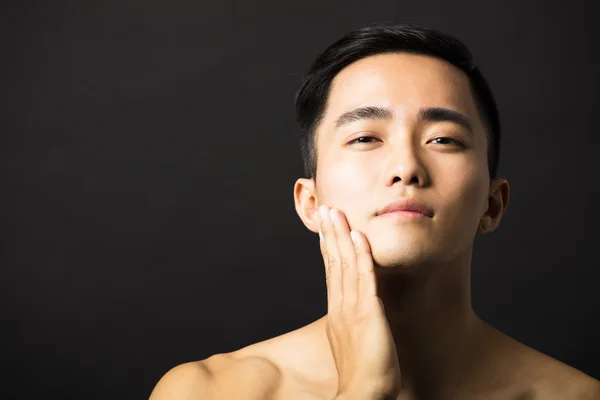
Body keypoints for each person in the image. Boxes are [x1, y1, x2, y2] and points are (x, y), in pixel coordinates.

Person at [149, 23, 600, 400]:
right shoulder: (209, 391)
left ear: (493, 203)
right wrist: (363, 390)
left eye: (443, 139)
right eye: (365, 138)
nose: (406, 167)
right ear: (310, 203)